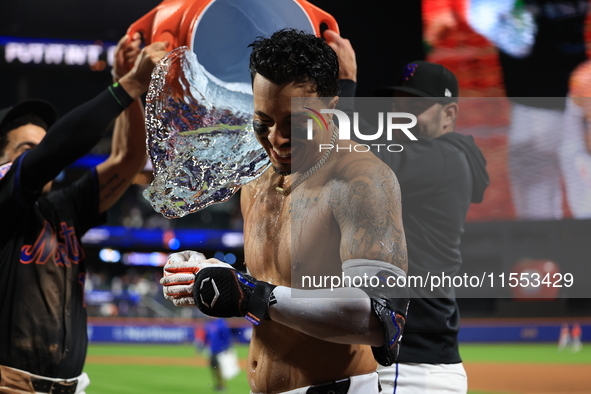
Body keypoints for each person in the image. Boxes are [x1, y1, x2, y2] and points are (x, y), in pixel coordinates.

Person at [161, 28, 410, 394]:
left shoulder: (364, 180)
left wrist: (251, 295)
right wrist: (213, 272)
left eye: (296, 124)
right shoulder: (256, 180)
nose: (276, 139)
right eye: (264, 122)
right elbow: (279, 279)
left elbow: (380, 320)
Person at [0, 34, 167, 394]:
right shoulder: (3, 199)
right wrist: (129, 84)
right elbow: (57, 151)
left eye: (43, 145)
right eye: (26, 150)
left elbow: (128, 159)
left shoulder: (65, 206)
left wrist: (126, 85)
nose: (40, 155)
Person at [325, 30, 489, 394]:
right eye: (396, 107)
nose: (400, 116)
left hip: (411, 368)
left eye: (415, 107)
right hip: (407, 362)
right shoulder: (428, 159)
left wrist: (347, 84)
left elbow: (349, 153)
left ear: (449, 115)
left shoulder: (445, 158)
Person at [195, 319, 235, 391]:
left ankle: (222, 385)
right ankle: (218, 384)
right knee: (214, 368)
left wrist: (227, 348)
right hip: (212, 350)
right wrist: (202, 347)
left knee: (221, 369)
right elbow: (206, 337)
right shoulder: (210, 324)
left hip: (220, 350)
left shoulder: (222, 324)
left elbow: (226, 337)